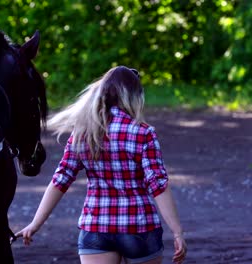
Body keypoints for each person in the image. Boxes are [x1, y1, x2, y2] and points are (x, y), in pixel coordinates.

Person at [15, 66, 187, 264]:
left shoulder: (83, 134)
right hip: (139, 228)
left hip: (96, 228)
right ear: (134, 97)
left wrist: (35, 223)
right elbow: (158, 186)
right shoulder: (143, 133)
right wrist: (177, 232)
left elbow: (60, 180)